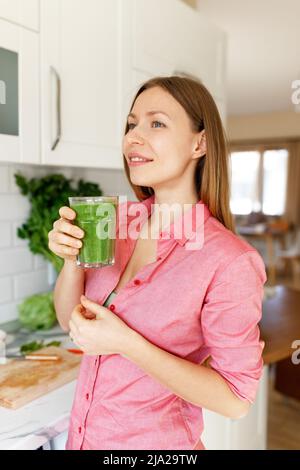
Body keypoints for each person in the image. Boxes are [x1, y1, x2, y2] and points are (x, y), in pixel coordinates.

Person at [48, 75, 267, 450]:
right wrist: (72, 260)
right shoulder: (113, 223)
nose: (133, 137)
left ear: (200, 143)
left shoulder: (229, 261)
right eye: (131, 124)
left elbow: (235, 400)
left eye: (156, 123)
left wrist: (127, 343)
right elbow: (74, 322)